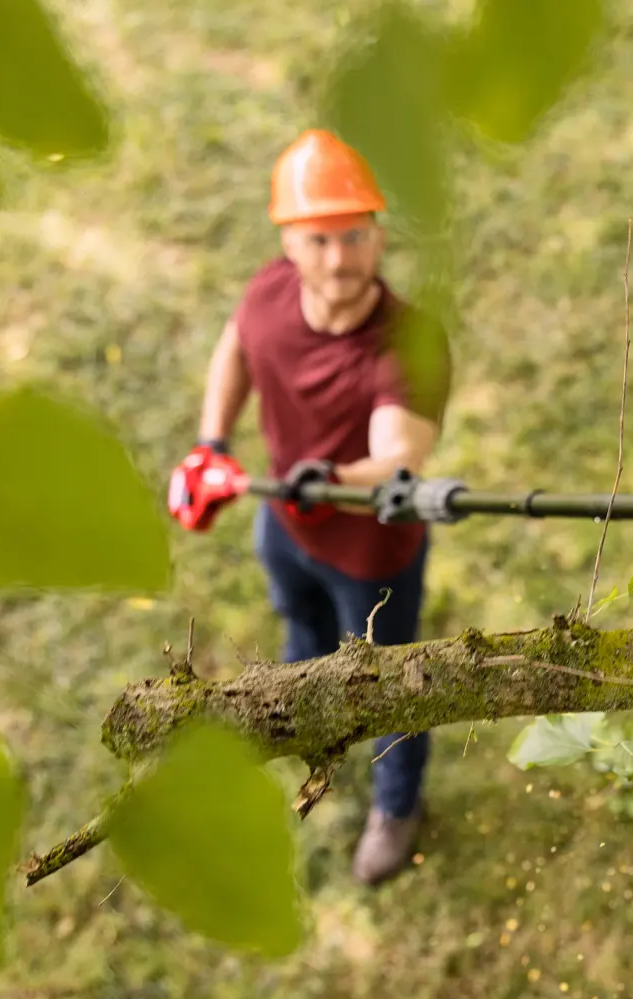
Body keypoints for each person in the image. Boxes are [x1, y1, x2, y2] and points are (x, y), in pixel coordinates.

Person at [170, 128, 451, 886]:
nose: (339, 258)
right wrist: (212, 440)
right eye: (319, 239)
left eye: (354, 236)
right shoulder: (268, 292)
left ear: (378, 234)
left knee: (397, 688)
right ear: (288, 242)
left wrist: (330, 475)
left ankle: (396, 806)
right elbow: (236, 346)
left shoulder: (407, 344)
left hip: (372, 559)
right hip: (285, 531)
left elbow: (399, 460)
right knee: (301, 632)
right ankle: (309, 717)